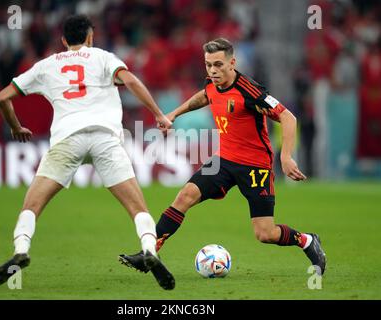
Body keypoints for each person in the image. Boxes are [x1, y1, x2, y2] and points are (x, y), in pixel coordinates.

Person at [0, 14, 175, 290]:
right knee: (137, 208)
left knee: (32, 206)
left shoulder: (46, 66)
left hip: (67, 139)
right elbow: (132, 81)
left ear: (64, 40)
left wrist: (16, 127)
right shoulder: (103, 57)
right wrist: (158, 114)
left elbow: (2, 97)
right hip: (105, 139)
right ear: (90, 37)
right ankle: (149, 250)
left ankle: (21, 251)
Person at [119, 38, 326, 276]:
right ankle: (150, 253)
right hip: (223, 160)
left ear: (232, 63)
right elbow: (205, 95)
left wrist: (286, 157)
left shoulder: (250, 91)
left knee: (265, 234)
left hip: (255, 167)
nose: (213, 71)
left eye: (218, 65)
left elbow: (288, 117)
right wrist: (173, 114)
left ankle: (308, 241)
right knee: (185, 196)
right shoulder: (212, 83)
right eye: (208, 65)